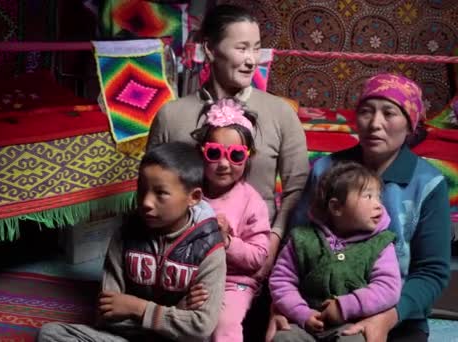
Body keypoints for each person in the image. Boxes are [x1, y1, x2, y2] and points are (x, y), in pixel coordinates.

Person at [267, 73, 452, 342]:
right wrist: (280, 306)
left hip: (393, 314)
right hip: (313, 309)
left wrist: (389, 318)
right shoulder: (326, 170)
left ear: (411, 125)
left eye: (389, 113)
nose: (375, 124)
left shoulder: (427, 183)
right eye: (366, 112)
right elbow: (295, 245)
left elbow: (432, 272)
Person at [147, 4, 309, 280]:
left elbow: (298, 188)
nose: (251, 60)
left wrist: (272, 243)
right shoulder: (171, 116)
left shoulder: (280, 113)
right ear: (210, 49)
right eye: (242, 48)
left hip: (254, 257)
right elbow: (150, 186)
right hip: (180, 256)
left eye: (256, 48)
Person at [37, 142, 226, 342]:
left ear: (194, 197)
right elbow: (105, 315)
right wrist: (176, 312)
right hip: (128, 338)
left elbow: (200, 327)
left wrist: (136, 307)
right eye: (142, 190)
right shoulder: (125, 234)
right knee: (50, 334)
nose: (146, 202)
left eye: (161, 193)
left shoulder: (209, 248)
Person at [269, 161, 401, 342]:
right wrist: (301, 313)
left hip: (351, 324)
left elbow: (388, 288)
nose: (378, 205)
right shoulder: (302, 239)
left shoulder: (381, 244)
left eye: (378, 197)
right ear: (336, 207)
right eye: (368, 197)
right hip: (305, 322)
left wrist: (344, 306)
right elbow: (281, 281)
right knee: (283, 339)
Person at [189, 97, 270, 341]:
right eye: (215, 153)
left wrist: (227, 241)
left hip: (233, 283)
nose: (224, 164)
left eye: (235, 155)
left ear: (248, 156)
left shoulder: (251, 201)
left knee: (224, 325)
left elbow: (258, 257)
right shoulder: (189, 193)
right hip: (192, 278)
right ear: (201, 153)